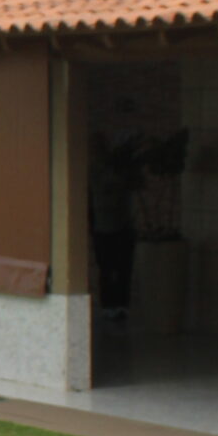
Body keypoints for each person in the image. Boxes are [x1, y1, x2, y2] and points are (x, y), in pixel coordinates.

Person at [89, 133, 138, 320]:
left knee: (123, 268)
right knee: (106, 268)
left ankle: (121, 304)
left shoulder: (120, 169)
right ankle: (108, 305)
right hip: (103, 227)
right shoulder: (96, 171)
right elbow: (103, 190)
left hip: (122, 224)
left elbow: (128, 185)